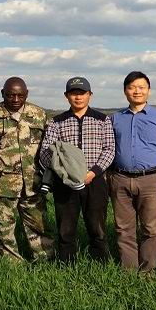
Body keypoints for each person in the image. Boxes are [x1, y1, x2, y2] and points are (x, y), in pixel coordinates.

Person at [0, 77, 53, 262]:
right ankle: (10, 264)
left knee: (39, 225)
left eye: (20, 95)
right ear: (3, 93)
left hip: (34, 184)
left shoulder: (39, 114)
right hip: (2, 184)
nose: (15, 99)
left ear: (26, 94)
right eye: (10, 95)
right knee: (3, 228)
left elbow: (50, 146)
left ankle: (44, 260)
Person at [39, 77, 115, 263]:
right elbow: (46, 152)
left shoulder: (102, 120)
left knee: (97, 227)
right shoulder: (57, 122)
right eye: (73, 93)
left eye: (82, 93)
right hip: (65, 182)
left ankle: (100, 263)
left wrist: (93, 172)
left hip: (94, 180)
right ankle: (67, 264)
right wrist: (63, 172)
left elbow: (109, 149)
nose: (78, 97)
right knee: (66, 229)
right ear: (66, 96)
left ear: (90, 95)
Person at [110, 71, 156, 274]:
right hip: (120, 178)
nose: (136, 91)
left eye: (141, 87)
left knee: (150, 228)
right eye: (132, 87)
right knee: (124, 229)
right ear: (125, 91)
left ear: (148, 90)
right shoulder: (115, 118)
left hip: (151, 179)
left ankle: (148, 271)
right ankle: (129, 270)